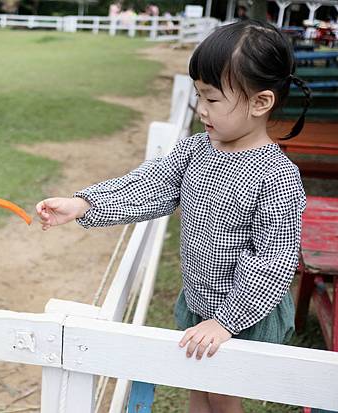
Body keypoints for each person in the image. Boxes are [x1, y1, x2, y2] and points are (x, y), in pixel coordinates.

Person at [36, 20, 310, 413]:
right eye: (199, 95)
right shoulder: (196, 149)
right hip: (201, 300)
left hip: (244, 313)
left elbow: (273, 260)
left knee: (221, 394)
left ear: (260, 103)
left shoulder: (276, 176)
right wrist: (85, 204)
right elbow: (150, 185)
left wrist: (226, 321)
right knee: (196, 383)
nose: (202, 109)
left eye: (212, 99)